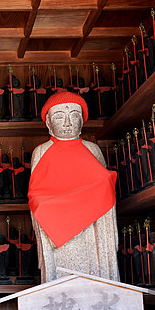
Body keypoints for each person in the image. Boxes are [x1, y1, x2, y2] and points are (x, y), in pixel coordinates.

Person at [28, 92, 119, 282]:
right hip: (56, 222)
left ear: (82, 122)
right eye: (60, 116)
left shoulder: (92, 149)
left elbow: (106, 187)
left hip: (92, 223)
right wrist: (52, 208)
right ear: (48, 123)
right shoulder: (41, 151)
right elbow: (36, 192)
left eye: (74, 115)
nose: (68, 123)